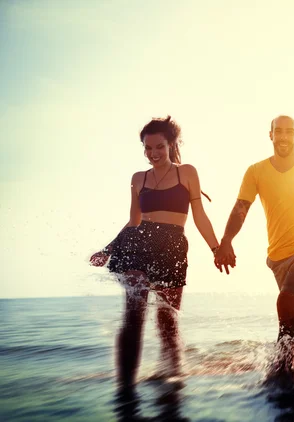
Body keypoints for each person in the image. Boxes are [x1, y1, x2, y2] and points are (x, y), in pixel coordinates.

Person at [89, 116, 220, 395]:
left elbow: (199, 215)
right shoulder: (138, 179)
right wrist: (108, 248)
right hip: (137, 242)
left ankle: (173, 377)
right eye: (147, 149)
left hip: (171, 246)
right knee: (134, 312)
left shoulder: (187, 172)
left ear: (171, 145)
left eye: (159, 147)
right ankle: (125, 387)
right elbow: (133, 222)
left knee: (167, 319)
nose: (153, 154)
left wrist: (216, 248)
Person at [214, 115, 294, 371]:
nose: (283, 137)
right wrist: (226, 240)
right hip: (278, 257)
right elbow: (241, 208)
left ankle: (283, 369)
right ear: (270, 135)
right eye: (278, 131)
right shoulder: (256, 171)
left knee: (285, 301)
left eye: (288, 131)